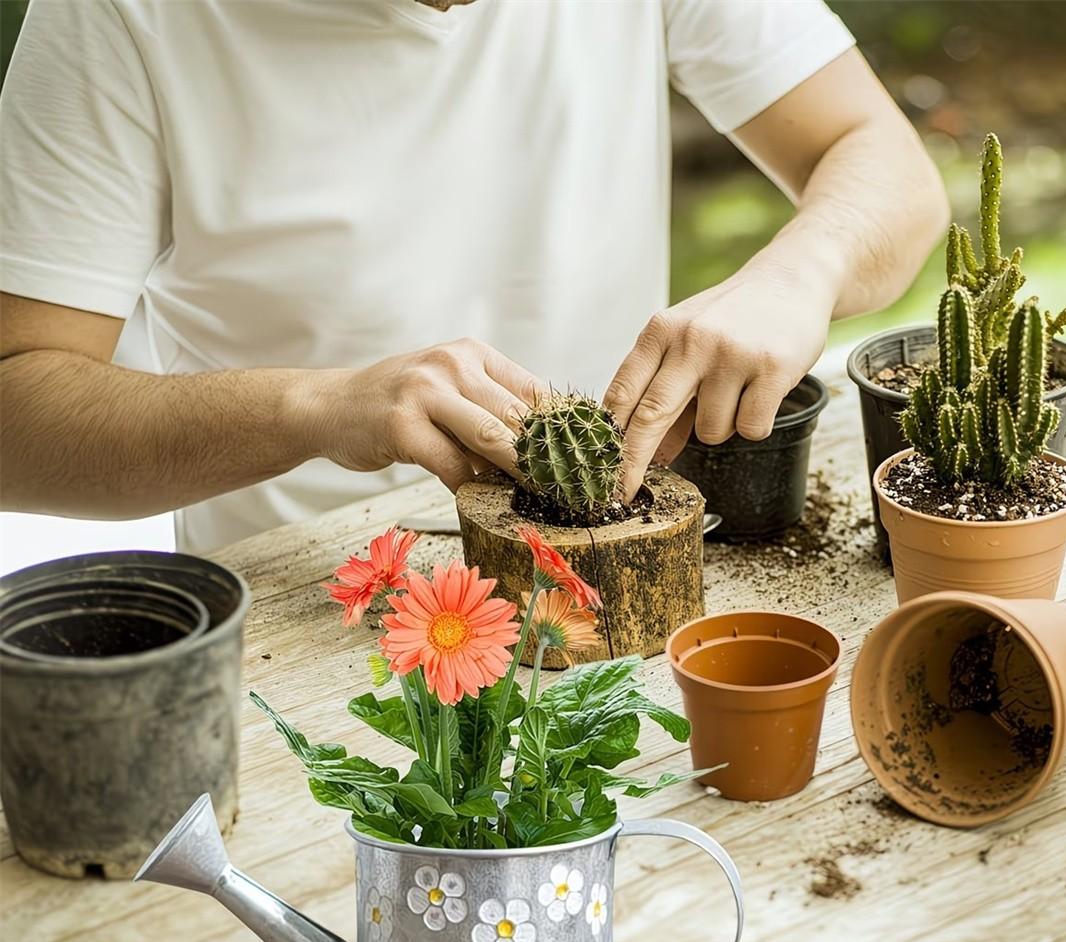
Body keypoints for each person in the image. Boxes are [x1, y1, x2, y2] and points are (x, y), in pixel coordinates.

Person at [0, 0, 947, 552]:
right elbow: (19, 411)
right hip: (322, 602)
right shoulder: (117, 16)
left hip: (628, 557)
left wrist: (800, 270)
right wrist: (315, 409)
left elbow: (884, 164)